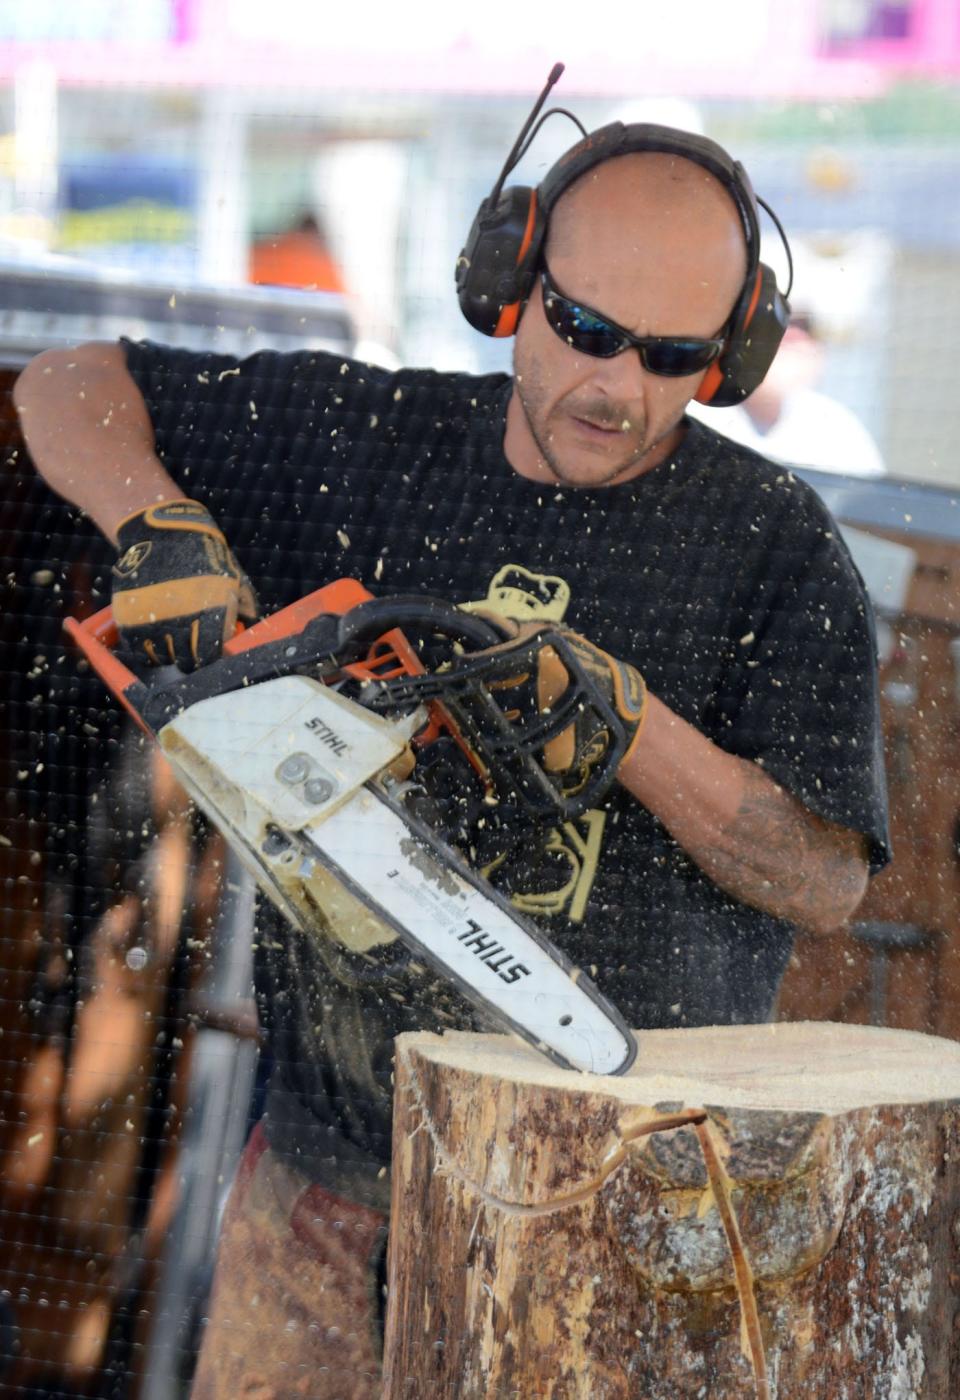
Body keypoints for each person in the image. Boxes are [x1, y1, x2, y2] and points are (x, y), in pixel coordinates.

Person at [13, 111, 890, 1397]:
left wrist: (632, 731)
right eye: (588, 331)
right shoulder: (366, 438)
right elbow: (69, 380)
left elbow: (828, 882)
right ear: (512, 281)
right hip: (324, 1180)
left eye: (672, 356)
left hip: (620, 1202)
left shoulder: (773, 547)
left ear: (735, 346)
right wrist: (158, 522)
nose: (617, 386)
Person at [692, 308, 887, 477]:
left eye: (806, 327)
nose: (792, 336)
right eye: (776, 322)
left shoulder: (837, 427)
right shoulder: (694, 412)